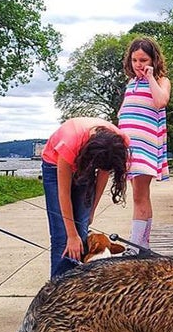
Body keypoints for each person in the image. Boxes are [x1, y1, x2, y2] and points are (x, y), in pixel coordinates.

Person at [41, 117, 130, 277]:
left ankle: (80, 287)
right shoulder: (70, 142)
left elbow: (103, 173)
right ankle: (57, 291)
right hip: (55, 165)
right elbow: (64, 193)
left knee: (82, 234)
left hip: (86, 163)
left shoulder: (117, 143)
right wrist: (71, 235)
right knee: (64, 238)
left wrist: (91, 210)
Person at [118, 36, 171, 250]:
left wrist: (150, 77)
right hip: (129, 147)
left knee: (139, 196)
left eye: (143, 60)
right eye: (135, 60)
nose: (139, 65)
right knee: (141, 196)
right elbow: (123, 111)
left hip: (145, 148)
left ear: (153, 60)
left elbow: (160, 102)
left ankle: (135, 245)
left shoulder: (161, 81)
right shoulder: (131, 84)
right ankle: (143, 245)